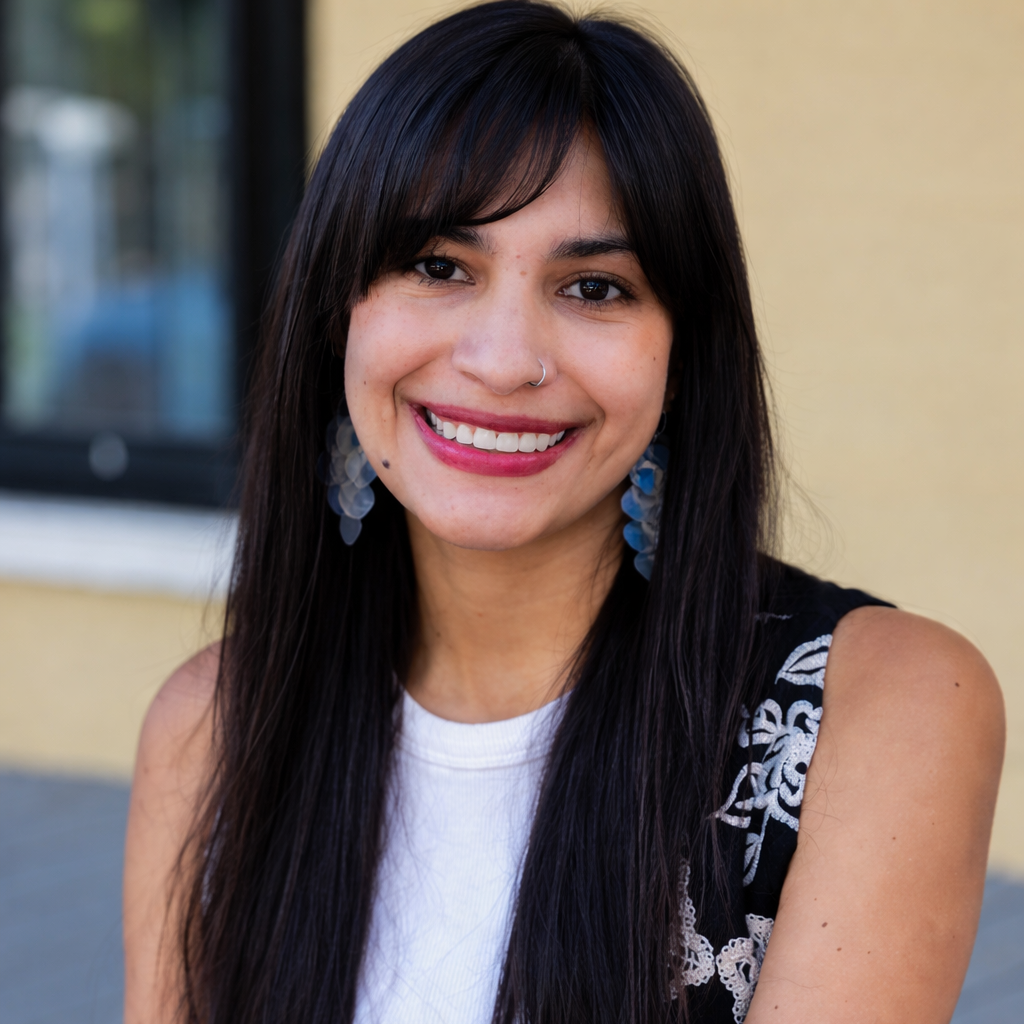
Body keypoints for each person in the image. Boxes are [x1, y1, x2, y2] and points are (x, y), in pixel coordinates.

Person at [122, 3, 1004, 1022]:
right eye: (438, 266)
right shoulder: (216, 727)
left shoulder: (876, 707)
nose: (502, 360)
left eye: (593, 287)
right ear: (338, 315)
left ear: (681, 358)